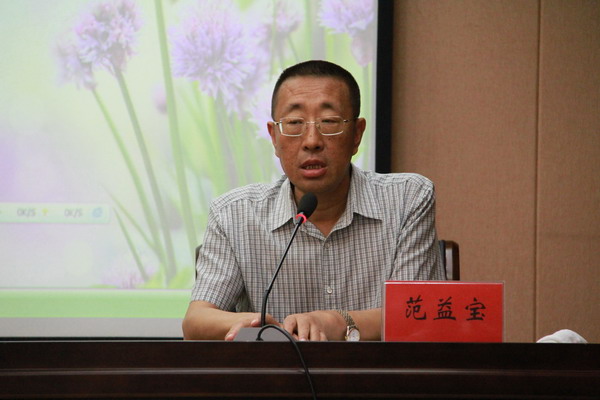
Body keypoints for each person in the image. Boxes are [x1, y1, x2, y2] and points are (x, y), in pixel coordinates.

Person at [182, 60, 444, 341]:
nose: (311, 141)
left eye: (329, 122)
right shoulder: (234, 214)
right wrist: (256, 322)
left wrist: (338, 322)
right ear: (274, 137)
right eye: (294, 123)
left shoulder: (407, 199)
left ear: (357, 134)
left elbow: (418, 314)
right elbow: (195, 322)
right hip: (277, 371)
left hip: (382, 371)